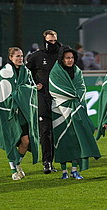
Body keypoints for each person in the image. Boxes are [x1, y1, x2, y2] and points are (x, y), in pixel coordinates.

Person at [49, 46, 101, 179]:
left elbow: (81, 88)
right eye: (67, 58)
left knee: (77, 139)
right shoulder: (55, 71)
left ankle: (74, 170)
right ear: (62, 58)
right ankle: (64, 171)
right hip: (60, 110)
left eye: (72, 58)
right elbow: (55, 89)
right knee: (62, 140)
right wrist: (74, 96)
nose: (70, 60)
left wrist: (76, 98)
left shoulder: (77, 71)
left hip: (76, 108)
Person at [0, 47, 40, 180]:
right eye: (17, 56)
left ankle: (17, 164)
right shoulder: (4, 73)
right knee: (11, 141)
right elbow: (0, 95)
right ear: (11, 58)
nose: (20, 59)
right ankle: (13, 170)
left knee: (26, 141)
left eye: (21, 56)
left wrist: (33, 88)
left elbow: (29, 88)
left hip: (22, 113)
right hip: (8, 113)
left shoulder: (26, 72)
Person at [26, 29, 62, 174]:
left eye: (54, 40)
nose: (52, 43)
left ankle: (64, 161)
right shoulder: (36, 56)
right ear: (44, 41)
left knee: (58, 132)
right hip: (43, 98)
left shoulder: (62, 55)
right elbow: (26, 73)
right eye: (50, 41)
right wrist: (34, 83)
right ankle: (47, 162)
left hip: (59, 98)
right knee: (45, 131)